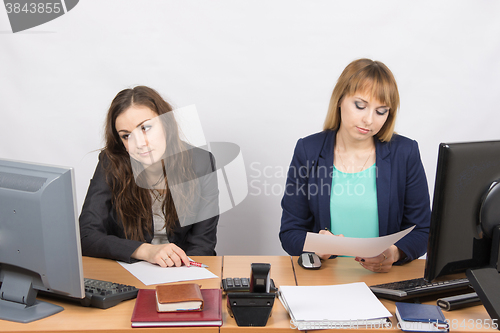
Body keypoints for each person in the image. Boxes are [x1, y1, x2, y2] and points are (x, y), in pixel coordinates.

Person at [279, 59, 431, 272]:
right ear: (340, 100)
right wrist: (314, 246)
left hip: (384, 279)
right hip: (325, 279)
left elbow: (422, 230)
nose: (369, 119)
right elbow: (290, 232)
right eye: (360, 105)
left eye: (381, 111)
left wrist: (394, 253)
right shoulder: (308, 150)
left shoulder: (405, 152)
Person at [80, 86, 218, 267]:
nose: (139, 143)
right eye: (126, 135)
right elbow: (86, 235)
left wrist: (182, 277)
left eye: (145, 128)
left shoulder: (201, 162)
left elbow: (202, 244)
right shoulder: (111, 162)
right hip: (129, 271)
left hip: (183, 269)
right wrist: (145, 250)